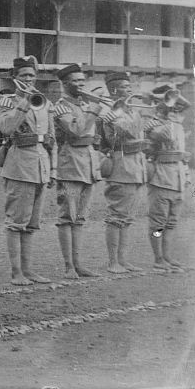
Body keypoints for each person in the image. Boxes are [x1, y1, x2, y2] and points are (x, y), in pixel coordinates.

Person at [0, 56, 56, 285]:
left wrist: (54, 168)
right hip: (19, 166)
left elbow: (52, 139)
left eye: (31, 75)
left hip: (41, 165)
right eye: (24, 76)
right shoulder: (6, 101)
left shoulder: (45, 102)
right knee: (15, 222)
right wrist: (24, 102)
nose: (29, 79)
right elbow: (7, 127)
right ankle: (16, 273)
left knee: (31, 224)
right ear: (15, 78)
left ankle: (29, 270)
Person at [52, 63, 111, 278]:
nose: (80, 85)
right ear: (65, 84)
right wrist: (95, 108)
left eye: (82, 81)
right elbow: (76, 131)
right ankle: (68, 266)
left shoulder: (84, 105)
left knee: (80, 218)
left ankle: (78, 264)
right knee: (67, 217)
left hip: (88, 165)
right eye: (75, 82)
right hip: (69, 166)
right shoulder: (61, 107)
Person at [98, 71, 147, 273]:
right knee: (116, 217)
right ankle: (113, 262)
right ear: (114, 90)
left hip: (135, 166)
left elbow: (138, 133)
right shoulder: (109, 112)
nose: (131, 91)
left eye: (130, 87)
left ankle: (123, 259)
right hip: (121, 166)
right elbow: (127, 133)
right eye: (126, 88)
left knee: (127, 218)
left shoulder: (131, 111)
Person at [145, 84, 192, 271]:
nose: (172, 106)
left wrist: (172, 95)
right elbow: (165, 136)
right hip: (161, 177)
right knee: (158, 222)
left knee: (172, 222)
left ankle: (167, 256)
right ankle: (158, 258)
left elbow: (186, 105)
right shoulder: (152, 123)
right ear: (158, 104)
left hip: (179, 175)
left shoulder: (176, 121)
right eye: (166, 101)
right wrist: (160, 103)